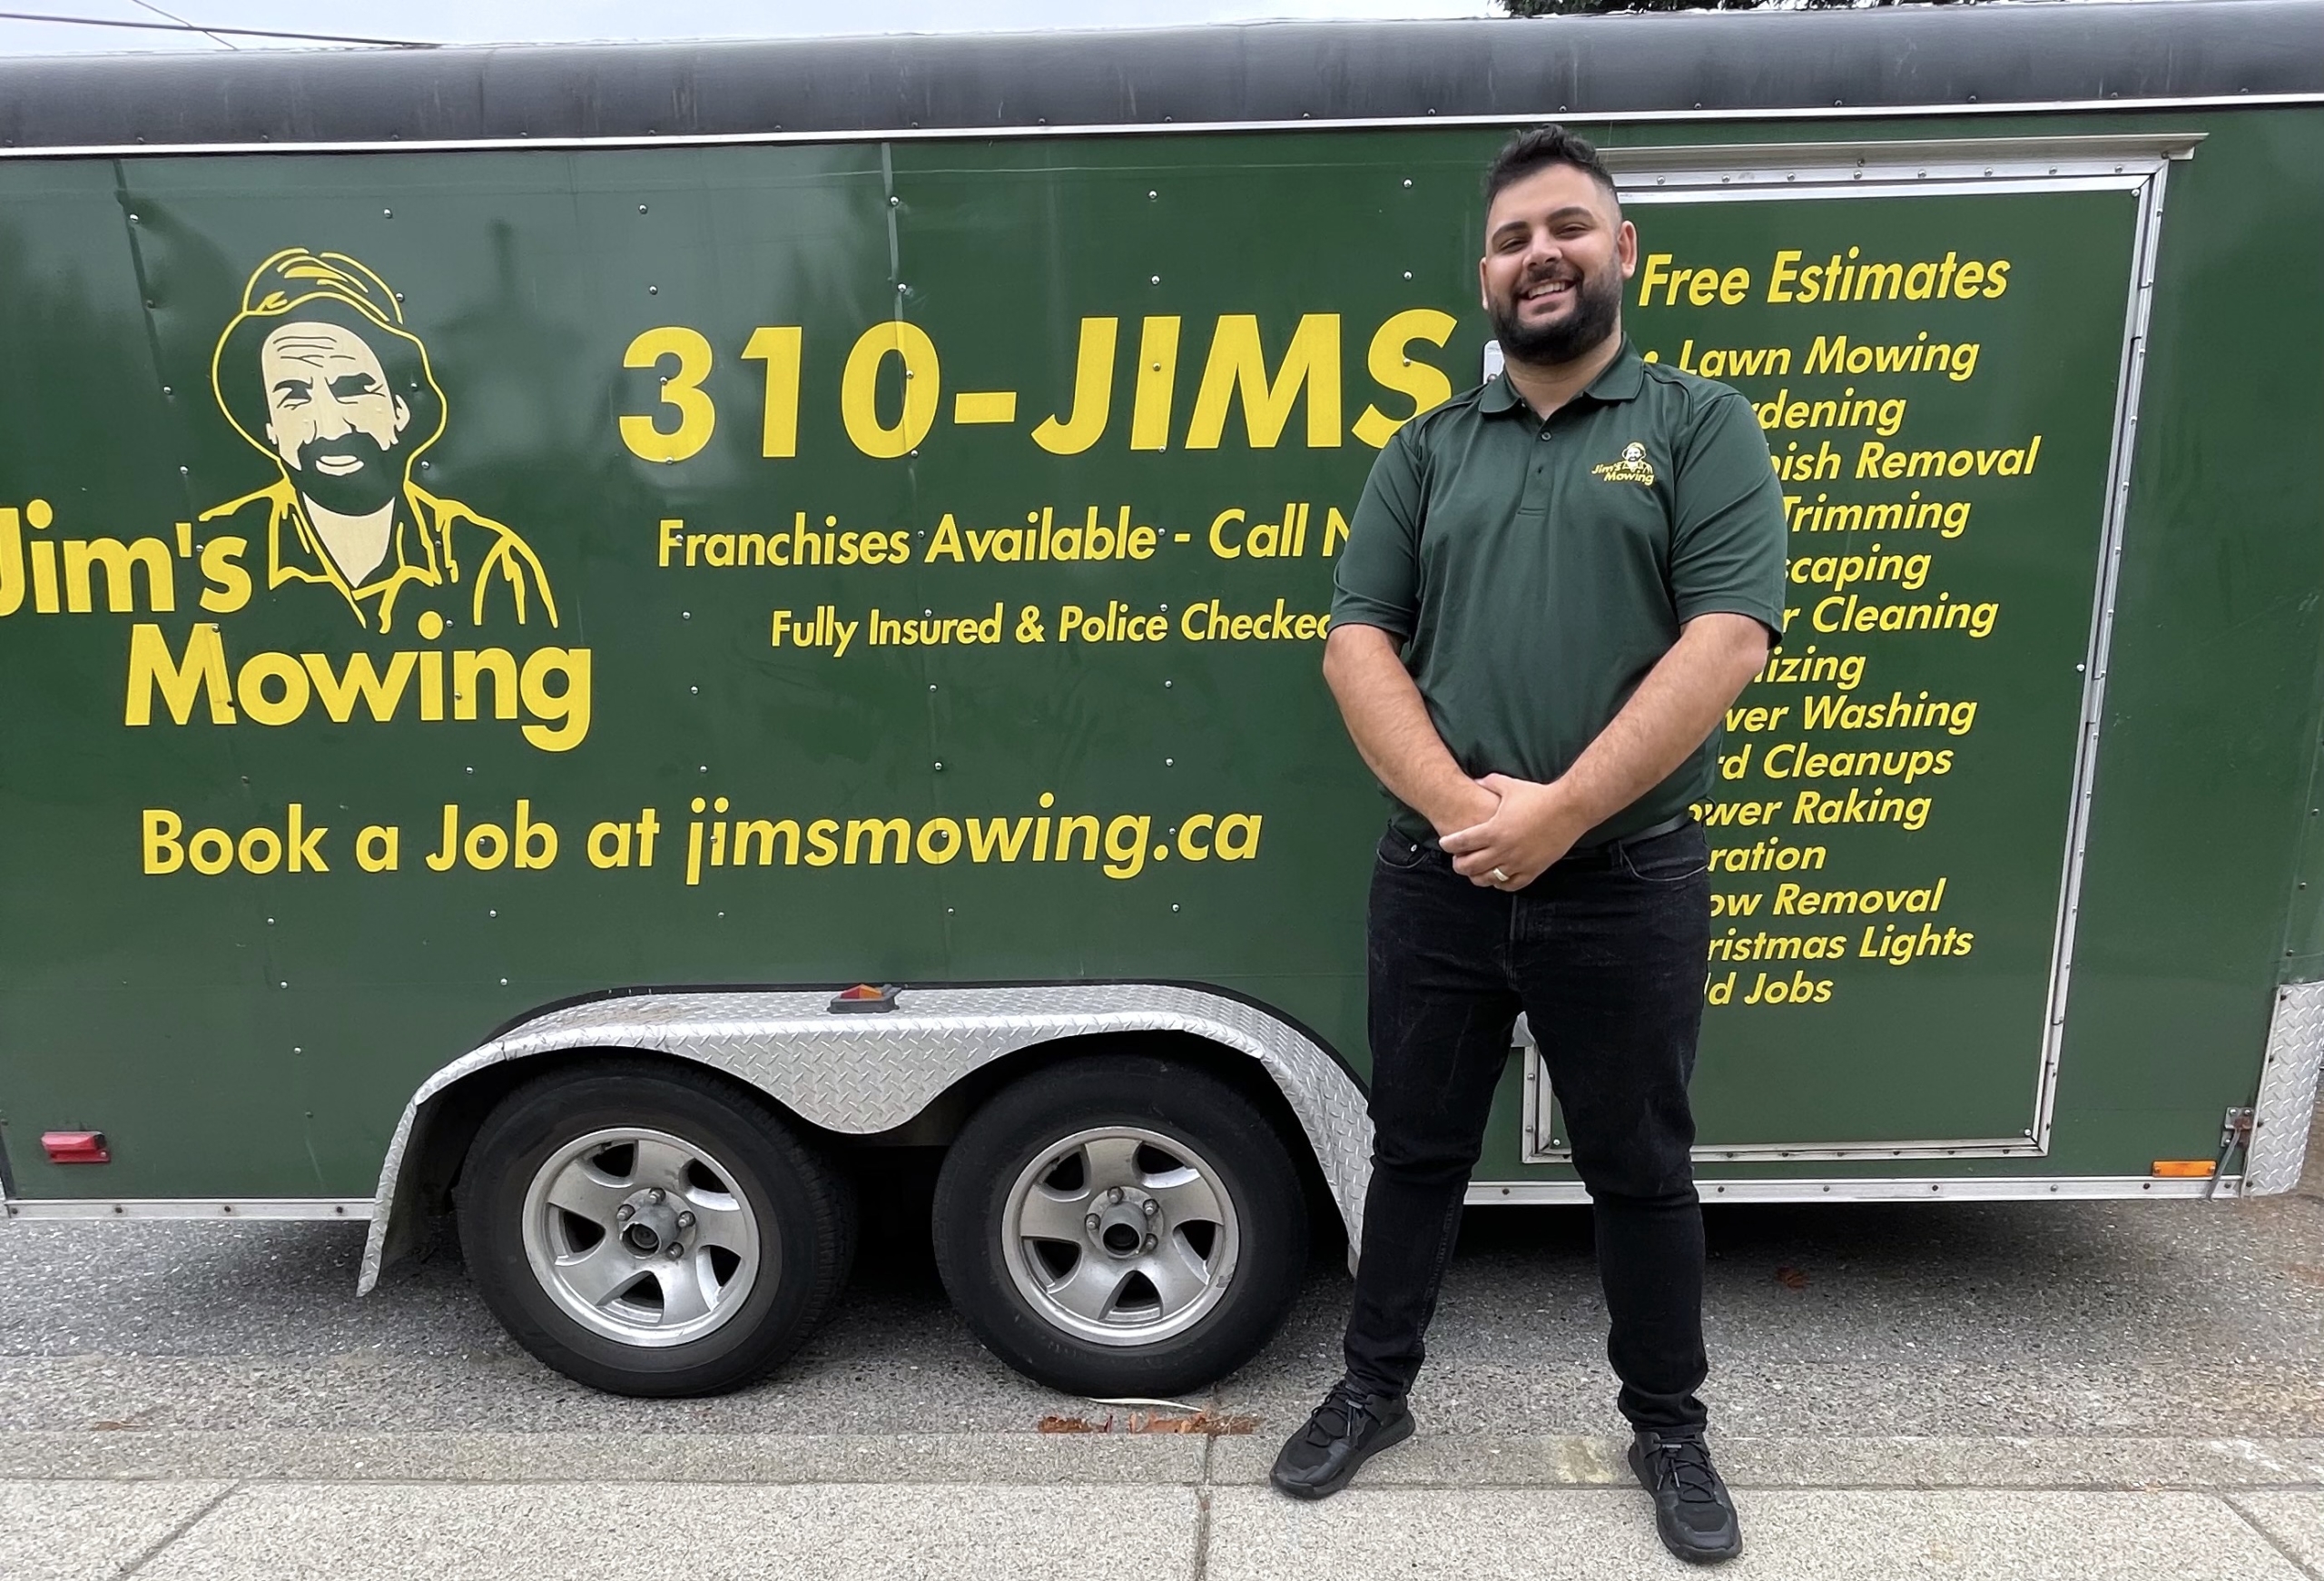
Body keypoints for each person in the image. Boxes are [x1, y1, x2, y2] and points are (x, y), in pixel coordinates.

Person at [1269, 126, 1786, 1566]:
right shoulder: (1427, 450)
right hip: (1436, 881)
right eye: (1509, 239)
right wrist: (1464, 816)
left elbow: (1725, 640)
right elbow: (1357, 644)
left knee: (1640, 1166)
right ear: (1483, 277)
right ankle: (1375, 1394)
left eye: (1568, 227)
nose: (1537, 253)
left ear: (1623, 252)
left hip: (1626, 880)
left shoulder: (1700, 427)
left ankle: (1669, 1428)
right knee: (1417, 1151)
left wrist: (1555, 814)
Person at [203, 248, 556, 635]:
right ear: (270, 427)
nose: (331, 427)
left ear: (400, 409)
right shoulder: (215, 552)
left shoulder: (490, 565)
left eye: (353, 389)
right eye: (295, 396)